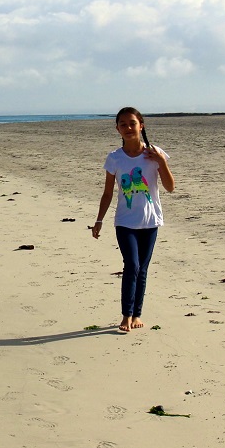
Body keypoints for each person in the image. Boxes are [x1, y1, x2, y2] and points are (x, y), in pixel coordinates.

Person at [91, 106, 175, 332]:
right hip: (125, 222)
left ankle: (137, 314)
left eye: (132, 123)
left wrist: (161, 162)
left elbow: (170, 187)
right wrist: (99, 221)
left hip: (150, 221)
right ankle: (126, 315)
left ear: (141, 126)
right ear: (117, 129)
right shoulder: (114, 158)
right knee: (132, 265)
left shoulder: (155, 153)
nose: (128, 128)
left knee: (143, 269)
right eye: (123, 124)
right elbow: (108, 193)